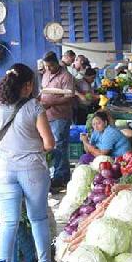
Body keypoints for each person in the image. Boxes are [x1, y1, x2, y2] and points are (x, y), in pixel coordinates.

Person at [0, 64, 59, 262]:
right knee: (38, 218)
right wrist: (32, 147)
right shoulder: (34, 107)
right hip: (33, 171)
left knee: (8, 223)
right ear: (28, 85)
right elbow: (49, 143)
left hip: (3, 171)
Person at [40, 50, 76, 192]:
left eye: (50, 66)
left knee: (60, 146)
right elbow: (44, 91)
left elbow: (70, 96)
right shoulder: (46, 74)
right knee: (49, 147)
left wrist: (52, 103)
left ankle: (61, 177)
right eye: (46, 66)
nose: (48, 69)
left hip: (60, 116)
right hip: (46, 116)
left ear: (56, 63)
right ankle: (53, 175)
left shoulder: (66, 77)